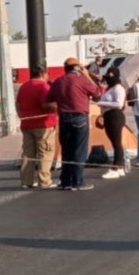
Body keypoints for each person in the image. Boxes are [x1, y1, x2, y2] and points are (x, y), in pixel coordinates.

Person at [49, 57, 101, 190]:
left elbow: (48, 100)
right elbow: (97, 94)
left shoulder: (58, 81)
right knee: (79, 150)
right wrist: (87, 76)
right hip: (79, 117)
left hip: (64, 119)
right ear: (78, 68)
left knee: (66, 151)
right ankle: (77, 182)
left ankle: (65, 181)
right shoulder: (82, 80)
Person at [16, 64, 57, 188]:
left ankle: (26, 181)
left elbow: (17, 104)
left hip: (27, 124)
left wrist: (22, 116)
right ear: (44, 74)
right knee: (45, 152)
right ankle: (44, 181)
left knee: (28, 153)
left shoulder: (23, 86)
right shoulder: (43, 86)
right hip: (43, 124)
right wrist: (57, 108)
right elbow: (46, 105)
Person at [96, 69, 128, 180]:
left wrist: (102, 103)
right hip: (108, 116)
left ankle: (116, 167)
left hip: (116, 116)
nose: (108, 78)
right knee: (115, 143)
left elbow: (119, 104)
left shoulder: (118, 88)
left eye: (110, 75)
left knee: (116, 142)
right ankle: (121, 166)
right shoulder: (109, 89)